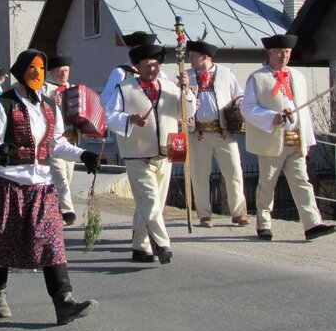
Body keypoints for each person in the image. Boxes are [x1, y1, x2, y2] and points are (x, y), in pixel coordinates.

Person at [0, 49, 100, 325]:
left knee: (52, 242)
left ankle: (64, 301)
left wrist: (83, 155)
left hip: (42, 186)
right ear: (21, 71)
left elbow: (56, 144)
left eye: (41, 67)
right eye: (32, 67)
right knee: (0, 242)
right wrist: (0, 148)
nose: (37, 72)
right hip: (7, 183)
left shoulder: (49, 106)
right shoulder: (2, 104)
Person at [105, 45, 196, 264]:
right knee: (150, 199)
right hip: (137, 156)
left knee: (150, 203)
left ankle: (140, 247)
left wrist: (186, 92)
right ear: (137, 67)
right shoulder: (124, 88)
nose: (153, 69)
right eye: (147, 66)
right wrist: (131, 120)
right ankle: (162, 244)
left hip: (165, 153)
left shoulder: (170, 87)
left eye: (156, 65)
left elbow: (187, 112)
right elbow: (110, 116)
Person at [240, 34, 335, 241]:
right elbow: (247, 108)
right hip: (273, 140)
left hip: (296, 140)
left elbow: (305, 112)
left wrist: (308, 139)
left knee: (302, 182)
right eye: (280, 52)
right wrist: (271, 117)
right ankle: (264, 223)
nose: (284, 56)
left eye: (287, 52)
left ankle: (312, 223)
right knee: (267, 183)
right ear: (270, 53)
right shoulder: (258, 78)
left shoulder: (297, 76)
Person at [186, 40, 250, 228]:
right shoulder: (186, 76)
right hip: (198, 133)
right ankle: (204, 215)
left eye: (192, 55)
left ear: (204, 56)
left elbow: (238, 94)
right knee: (199, 175)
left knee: (234, 172)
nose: (189, 59)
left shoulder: (225, 73)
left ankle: (239, 213)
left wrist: (240, 104)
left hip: (223, 132)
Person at [43, 55, 78, 225]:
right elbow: (37, 108)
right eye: (60, 71)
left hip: (71, 140)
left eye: (66, 71)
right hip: (53, 142)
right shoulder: (45, 88)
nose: (63, 74)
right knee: (60, 178)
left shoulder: (73, 89)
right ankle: (68, 212)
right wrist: (50, 102)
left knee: (68, 178)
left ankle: (54, 208)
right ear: (52, 72)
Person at [100, 31, 167, 108]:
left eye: (146, 48)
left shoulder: (159, 74)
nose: (143, 52)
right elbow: (105, 100)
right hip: (130, 117)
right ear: (130, 49)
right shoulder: (121, 72)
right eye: (139, 49)